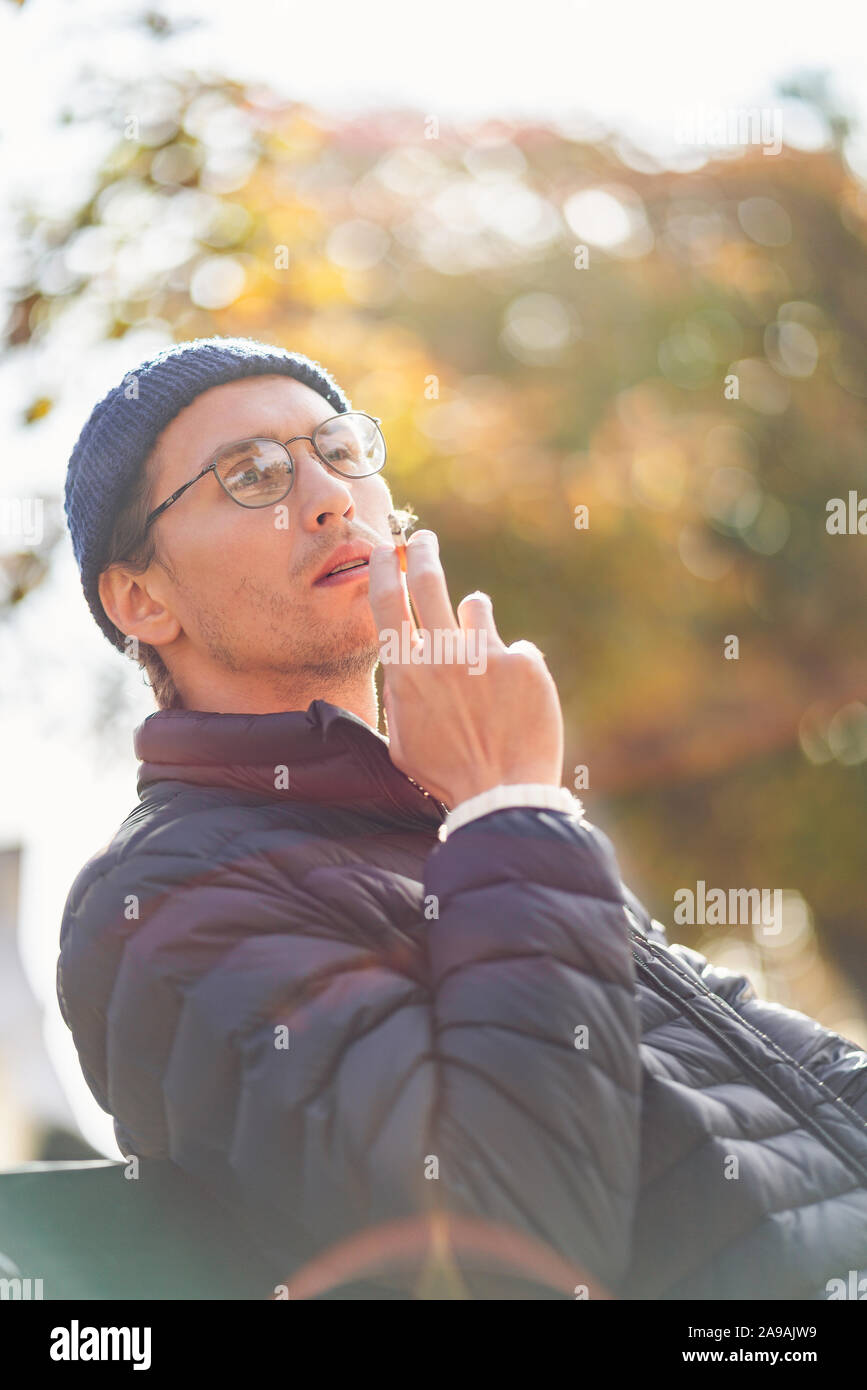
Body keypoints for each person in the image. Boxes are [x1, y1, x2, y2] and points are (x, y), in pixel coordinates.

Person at [57, 336, 867, 1300]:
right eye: (252, 474)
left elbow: (798, 1081)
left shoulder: (436, 827)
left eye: (340, 449)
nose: (326, 495)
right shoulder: (157, 901)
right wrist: (506, 803)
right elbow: (505, 1249)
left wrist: (491, 814)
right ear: (142, 599)